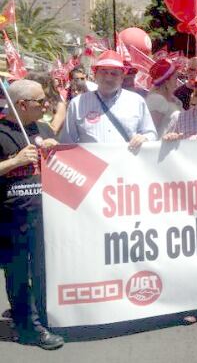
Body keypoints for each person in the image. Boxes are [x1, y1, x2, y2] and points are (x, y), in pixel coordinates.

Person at [0, 79, 64, 349]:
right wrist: (15, 161)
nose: (46, 105)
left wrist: (53, 148)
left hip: (43, 216)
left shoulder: (41, 127)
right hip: (11, 218)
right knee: (17, 273)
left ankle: (36, 315)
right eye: (40, 102)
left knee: (41, 271)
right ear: (22, 105)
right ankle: (29, 328)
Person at [59, 50, 157, 150]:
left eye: (114, 73)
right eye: (103, 72)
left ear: (122, 77)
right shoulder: (77, 104)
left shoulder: (137, 102)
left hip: (126, 164)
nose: (108, 77)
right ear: (95, 74)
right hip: (91, 164)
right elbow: (67, 143)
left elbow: (151, 134)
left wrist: (145, 138)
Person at [146, 59, 183, 137]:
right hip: (163, 146)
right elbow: (152, 130)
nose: (177, 81)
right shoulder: (157, 100)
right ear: (166, 81)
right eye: (175, 78)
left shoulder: (172, 99)